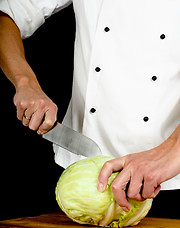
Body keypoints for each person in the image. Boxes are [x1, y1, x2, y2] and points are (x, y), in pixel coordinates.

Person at [0, 0, 180, 215]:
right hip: (81, 182)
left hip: (171, 179)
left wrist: (171, 153)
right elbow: (6, 15)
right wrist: (25, 82)